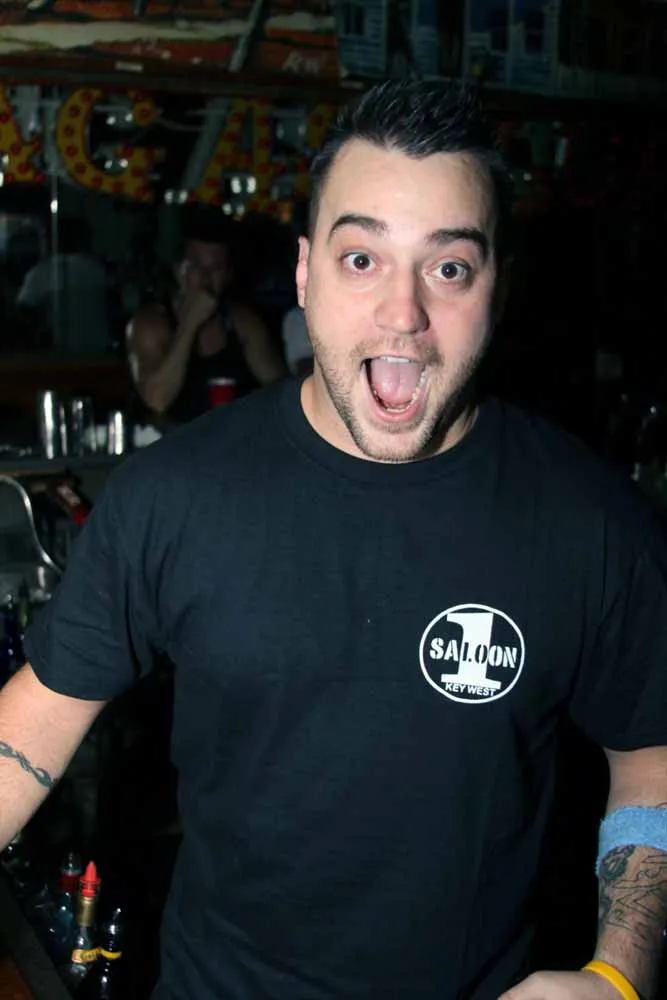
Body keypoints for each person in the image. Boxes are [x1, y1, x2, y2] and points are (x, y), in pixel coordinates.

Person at [0, 80, 666, 1000]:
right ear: (306, 273)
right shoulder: (173, 497)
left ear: (496, 287)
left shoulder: (591, 523)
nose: (402, 313)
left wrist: (618, 973)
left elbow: (650, 755)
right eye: (362, 259)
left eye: (448, 268)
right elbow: (31, 726)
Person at [126, 212, 286, 424]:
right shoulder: (151, 323)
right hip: (165, 441)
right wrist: (190, 323)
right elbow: (157, 400)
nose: (205, 278)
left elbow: (282, 394)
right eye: (196, 266)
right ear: (178, 271)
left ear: (227, 275)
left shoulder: (241, 323)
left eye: (216, 268)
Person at [16, 217, 111, 355]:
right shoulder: (96, 269)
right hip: (101, 355)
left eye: (43, 238)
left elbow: (22, 318)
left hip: (60, 357)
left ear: (53, 239)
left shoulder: (41, 273)